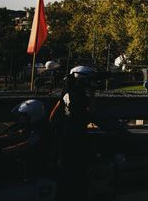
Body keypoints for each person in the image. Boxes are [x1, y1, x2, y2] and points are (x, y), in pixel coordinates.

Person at [50, 66, 98, 201]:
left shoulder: (67, 90)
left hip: (64, 131)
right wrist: (93, 94)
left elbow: (57, 107)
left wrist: (53, 123)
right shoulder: (80, 94)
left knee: (65, 164)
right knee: (79, 167)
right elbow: (92, 112)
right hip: (76, 134)